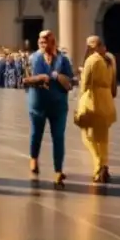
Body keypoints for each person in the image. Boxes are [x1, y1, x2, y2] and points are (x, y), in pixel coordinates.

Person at [23, 30, 74, 188]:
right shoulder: (32, 59)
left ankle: (58, 170)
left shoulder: (63, 60)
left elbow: (70, 83)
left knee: (58, 137)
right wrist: (38, 78)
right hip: (37, 104)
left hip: (58, 105)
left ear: (53, 42)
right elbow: (24, 80)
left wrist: (58, 77)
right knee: (35, 133)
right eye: (41, 42)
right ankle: (33, 158)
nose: (43, 45)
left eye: (46, 42)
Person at [75, 35, 117, 184]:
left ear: (91, 47)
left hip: (93, 100)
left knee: (87, 137)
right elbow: (113, 86)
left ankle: (98, 165)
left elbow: (84, 84)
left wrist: (79, 100)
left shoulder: (91, 60)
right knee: (103, 138)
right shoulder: (109, 61)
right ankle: (104, 166)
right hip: (107, 101)